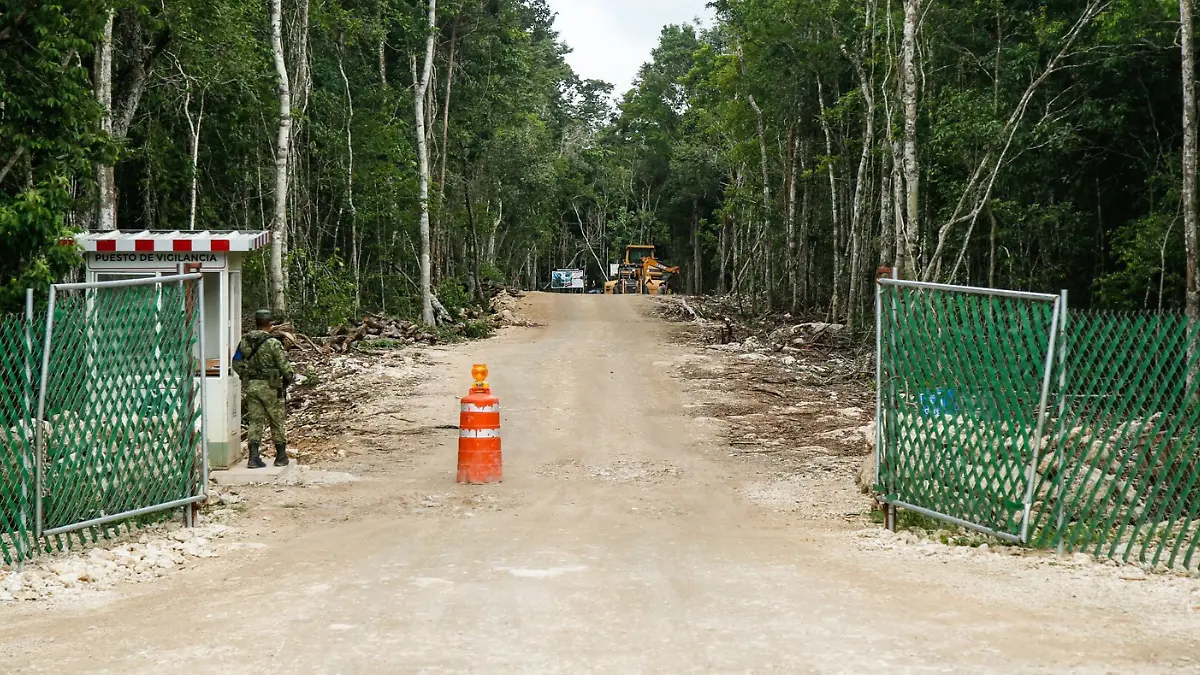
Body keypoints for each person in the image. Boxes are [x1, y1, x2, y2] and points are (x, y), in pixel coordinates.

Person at [233, 309, 294, 469]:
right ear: (270, 324)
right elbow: (284, 367)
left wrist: (246, 375)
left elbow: (236, 362)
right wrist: (288, 378)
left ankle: (253, 458)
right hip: (271, 387)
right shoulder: (273, 343)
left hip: (252, 386)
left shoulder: (244, 342)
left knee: (255, 421)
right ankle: (280, 456)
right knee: (276, 420)